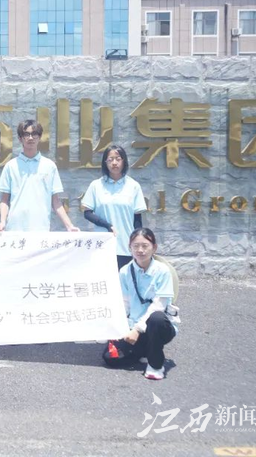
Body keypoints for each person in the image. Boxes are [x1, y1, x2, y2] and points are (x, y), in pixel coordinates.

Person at [103, 228, 178, 381]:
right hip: (134, 327)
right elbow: (124, 303)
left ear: (154, 248)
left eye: (145, 246)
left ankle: (156, 365)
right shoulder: (125, 271)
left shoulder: (163, 271)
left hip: (159, 327)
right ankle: (144, 350)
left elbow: (159, 305)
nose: (140, 250)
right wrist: (119, 328)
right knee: (109, 358)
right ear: (129, 247)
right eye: (136, 246)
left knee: (156, 318)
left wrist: (137, 330)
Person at [0, 120, 79, 233]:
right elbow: (4, 200)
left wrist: (69, 226)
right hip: (15, 228)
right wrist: (2, 221)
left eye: (34, 134)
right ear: (20, 138)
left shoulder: (49, 166)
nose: (30, 138)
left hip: (41, 228)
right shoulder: (10, 166)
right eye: (26, 134)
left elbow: (56, 201)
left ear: (39, 137)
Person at [81, 145, 147, 270]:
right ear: (105, 163)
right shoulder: (96, 185)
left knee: (125, 280)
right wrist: (108, 226)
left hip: (126, 246)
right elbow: (87, 213)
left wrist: (138, 243)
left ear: (124, 161)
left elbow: (137, 220)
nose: (114, 163)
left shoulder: (133, 186)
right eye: (110, 159)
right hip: (103, 245)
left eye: (118, 159)